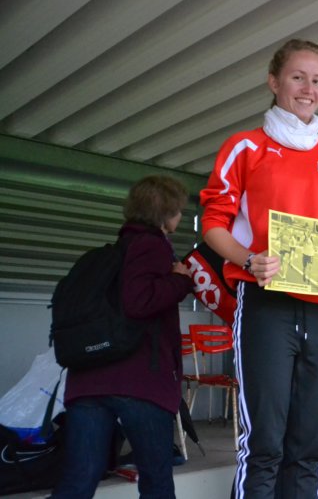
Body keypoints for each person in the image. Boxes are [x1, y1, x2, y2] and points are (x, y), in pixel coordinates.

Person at [199, 39, 318, 498]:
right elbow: (213, 224)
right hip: (267, 304)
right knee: (265, 443)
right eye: (298, 77)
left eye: (317, 80)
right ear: (273, 82)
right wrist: (248, 259)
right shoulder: (245, 147)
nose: (308, 88)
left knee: (310, 444)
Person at [50, 175, 194, 499]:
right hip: (138, 383)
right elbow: (138, 301)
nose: (181, 217)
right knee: (156, 483)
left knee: (77, 481)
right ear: (165, 213)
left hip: (88, 382)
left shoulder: (113, 254)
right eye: (178, 210)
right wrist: (181, 281)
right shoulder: (152, 246)